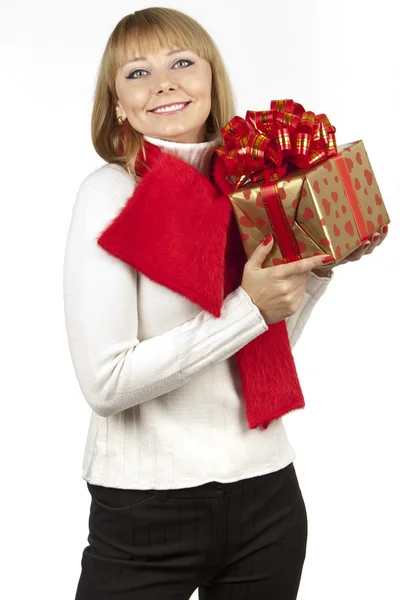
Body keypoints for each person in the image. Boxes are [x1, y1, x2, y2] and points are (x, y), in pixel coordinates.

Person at [63, 7, 388, 600]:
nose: (164, 81)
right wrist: (248, 308)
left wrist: (317, 272)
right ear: (116, 104)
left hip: (267, 497)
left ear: (211, 81)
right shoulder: (110, 193)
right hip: (145, 512)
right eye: (138, 72)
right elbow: (105, 382)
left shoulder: (248, 185)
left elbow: (262, 351)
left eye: (182, 62)